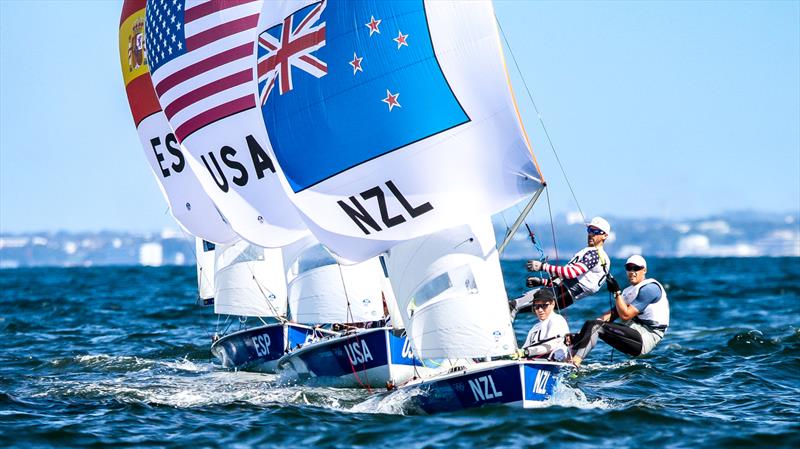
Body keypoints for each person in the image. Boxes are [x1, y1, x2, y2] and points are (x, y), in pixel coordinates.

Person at [569, 255, 670, 366]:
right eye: (629, 268)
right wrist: (582, 334)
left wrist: (616, 292)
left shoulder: (650, 289)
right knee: (590, 324)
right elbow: (612, 315)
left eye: (636, 268)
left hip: (646, 337)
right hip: (634, 333)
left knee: (595, 327)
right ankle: (567, 359)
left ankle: (575, 364)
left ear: (644, 270)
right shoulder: (628, 291)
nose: (632, 272)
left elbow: (625, 316)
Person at [510, 216, 612, 316]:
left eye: (596, 232)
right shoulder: (589, 251)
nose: (591, 234)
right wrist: (543, 282)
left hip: (562, 294)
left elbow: (571, 273)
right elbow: (571, 278)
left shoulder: (595, 254)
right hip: (562, 294)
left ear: (605, 236)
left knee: (513, 306)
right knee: (515, 308)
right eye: (590, 230)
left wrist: (542, 266)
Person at [518, 288, 570, 361]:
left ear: (553, 304)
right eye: (536, 306)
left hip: (554, 361)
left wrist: (527, 352)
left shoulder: (557, 320)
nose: (540, 310)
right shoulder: (534, 328)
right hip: (534, 361)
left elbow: (552, 345)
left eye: (544, 305)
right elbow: (524, 349)